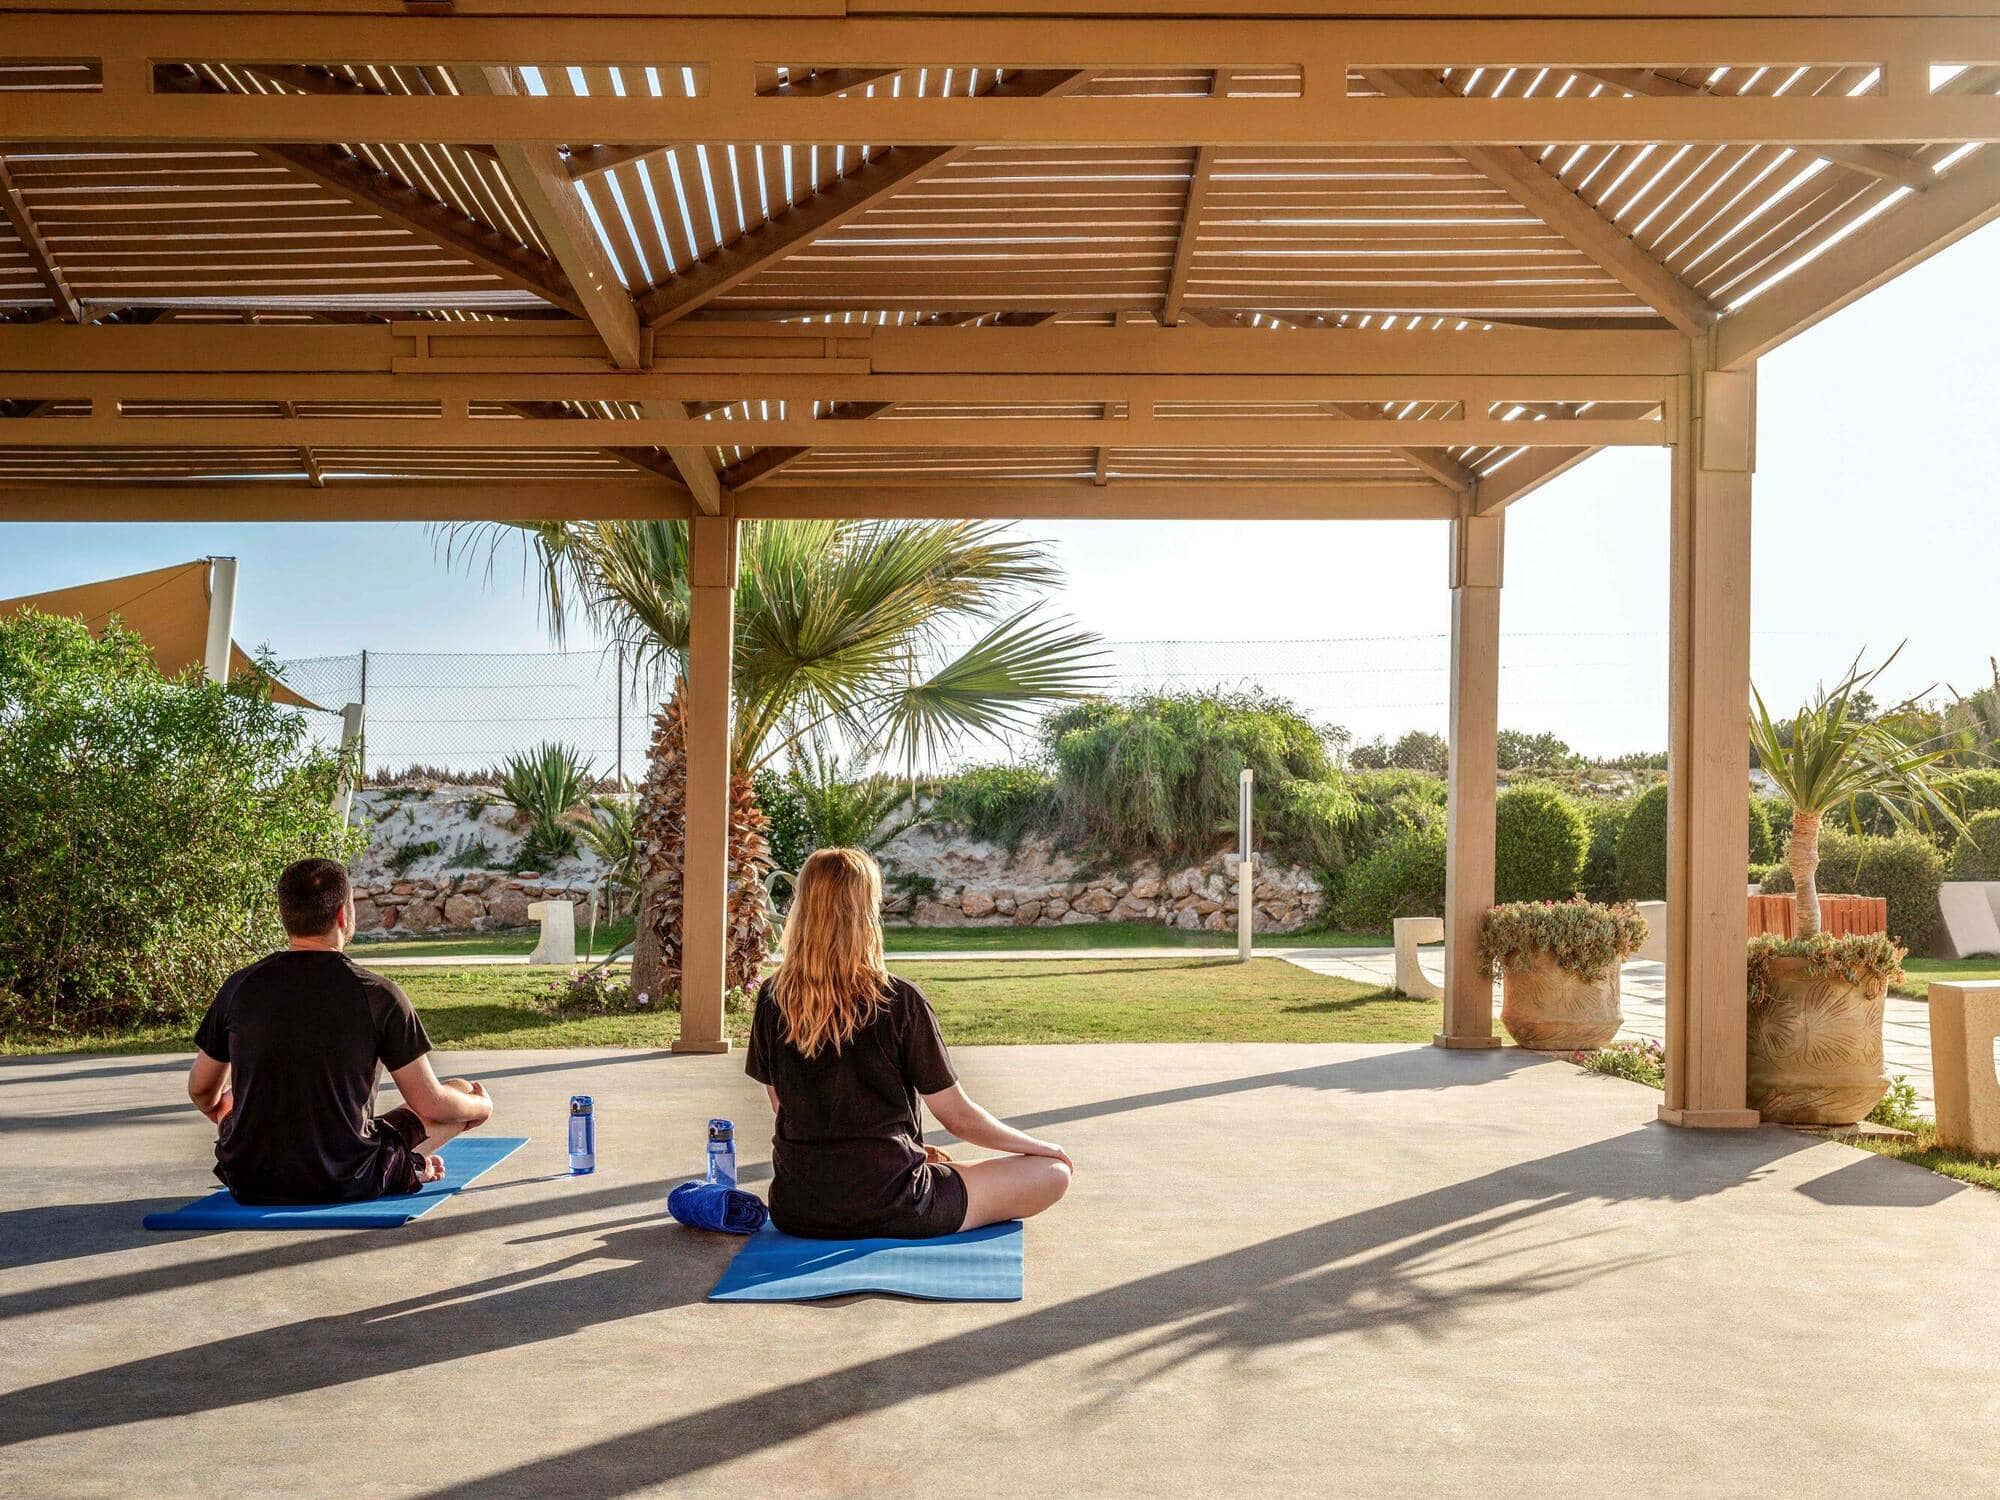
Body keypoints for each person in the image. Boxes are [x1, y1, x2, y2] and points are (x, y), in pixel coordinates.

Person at [746, 847, 1072, 1239]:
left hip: (798, 1209)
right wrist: (1040, 1147)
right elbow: (958, 1118)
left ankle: (916, 1164)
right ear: (866, 910)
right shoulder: (899, 1000)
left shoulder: (771, 996)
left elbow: (785, 1107)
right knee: (1052, 1173)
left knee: (938, 1165)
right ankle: (921, 1171)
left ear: (803, 907)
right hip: (897, 1206)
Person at [185, 857, 494, 1204]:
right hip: (347, 1177)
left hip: (249, 1178)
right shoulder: (379, 996)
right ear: (343, 916)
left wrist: (230, 1116)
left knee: (231, 1103)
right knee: (461, 1093)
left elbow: (201, 1091)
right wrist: (480, 1108)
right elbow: (432, 1103)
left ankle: (280, 1153)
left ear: (287, 918)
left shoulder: (239, 987)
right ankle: (403, 1165)